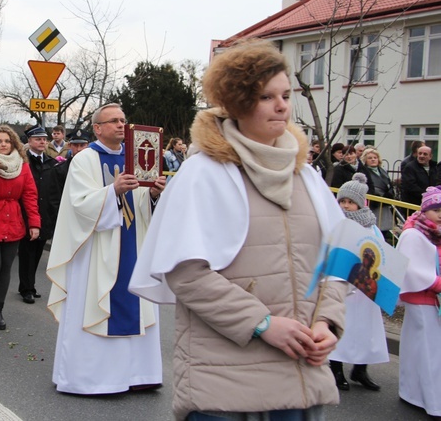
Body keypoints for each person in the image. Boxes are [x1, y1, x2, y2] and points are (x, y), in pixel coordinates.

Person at [129, 40, 346, 419]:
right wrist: (262, 324)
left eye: (286, 95)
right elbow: (186, 274)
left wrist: (328, 322)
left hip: (302, 382)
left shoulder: (307, 177)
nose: (282, 106)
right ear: (237, 103)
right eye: (266, 96)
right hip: (226, 386)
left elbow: (337, 261)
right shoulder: (203, 174)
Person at [46, 103, 166, 395]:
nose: (121, 125)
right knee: (96, 304)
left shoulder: (137, 158)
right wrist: (113, 191)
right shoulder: (85, 159)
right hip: (97, 248)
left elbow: (140, 209)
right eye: (113, 121)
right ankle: (92, 378)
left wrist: (151, 194)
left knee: (135, 300)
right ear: (97, 128)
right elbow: (78, 205)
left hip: (130, 245)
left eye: (124, 120)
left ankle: (139, 374)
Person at [0, 125, 40, 330]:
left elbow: (30, 195)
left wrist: (34, 223)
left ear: (13, 144)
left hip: (13, 222)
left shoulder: (23, 166)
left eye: (7, 141)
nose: (3, 145)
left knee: (5, 269)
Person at [329, 173, 388, 391]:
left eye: (350, 202)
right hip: (345, 286)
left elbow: (381, 251)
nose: (346, 206)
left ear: (362, 203)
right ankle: (336, 368)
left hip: (366, 289)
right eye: (342, 201)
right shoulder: (337, 224)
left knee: (365, 330)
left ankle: (360, 369)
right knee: (343, 326)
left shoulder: (371, 226)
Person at [397, 186, 441, 417]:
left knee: (419, 347)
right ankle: (434, 402)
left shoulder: (435, 232)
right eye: (436, 209)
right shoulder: (413, 233)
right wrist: (436, 283)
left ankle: (412, 391)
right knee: (429, 349)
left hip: (432, 298)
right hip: (421, 297)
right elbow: (410, 269)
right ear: (426, 210)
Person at [18, 126, 60, 304]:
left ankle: (30, 285)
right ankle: (26, 288)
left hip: (45, 215)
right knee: (27, 253)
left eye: (44, 139)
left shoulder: (51, 163)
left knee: (36, 254)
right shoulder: (23, 162)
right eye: (38, 139)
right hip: (27, 214)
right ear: (29, 141)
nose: (42, 142)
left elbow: (54, 192)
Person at [361, 147, 395, 233]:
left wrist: (390, 195)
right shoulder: (364, 172)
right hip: (374, 204)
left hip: (386, 204)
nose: (373, 160)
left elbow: (389, 184)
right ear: (365, 160)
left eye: (375, 158)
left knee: (386, 229)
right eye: (370, 158)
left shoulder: (382, 171)